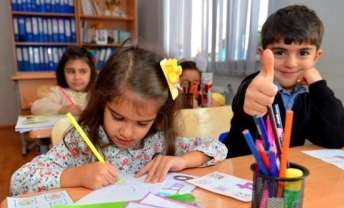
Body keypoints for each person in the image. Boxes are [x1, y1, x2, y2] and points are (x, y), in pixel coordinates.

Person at [10, 43, 228, 196]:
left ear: (157, 116)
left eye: (142, 123)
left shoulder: (157, 140)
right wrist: (77, 175)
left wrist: (181, 161)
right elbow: (19, 181)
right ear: (102, 102)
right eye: (118, 117)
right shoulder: (82, 140)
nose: (127, 132)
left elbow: (218, 147)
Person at [224, 5, 344, 158]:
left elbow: (336, 138)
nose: (291, 63)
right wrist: (247, 97)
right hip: (241, 172)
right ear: (262, 54)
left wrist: (319, 86)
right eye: (280, 52)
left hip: (284, 172)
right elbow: (245, 97)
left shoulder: (309, 96)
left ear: (316, 57)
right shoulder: (256, 84)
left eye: (303, 53)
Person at [31, 46, 97, 116]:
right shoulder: (58, 92)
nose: (77, 77)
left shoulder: (96, 93)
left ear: (91, 73)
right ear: (62, 72)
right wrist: (62, 109)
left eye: (83, 71)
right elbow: (36, 108)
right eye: (71, 72)